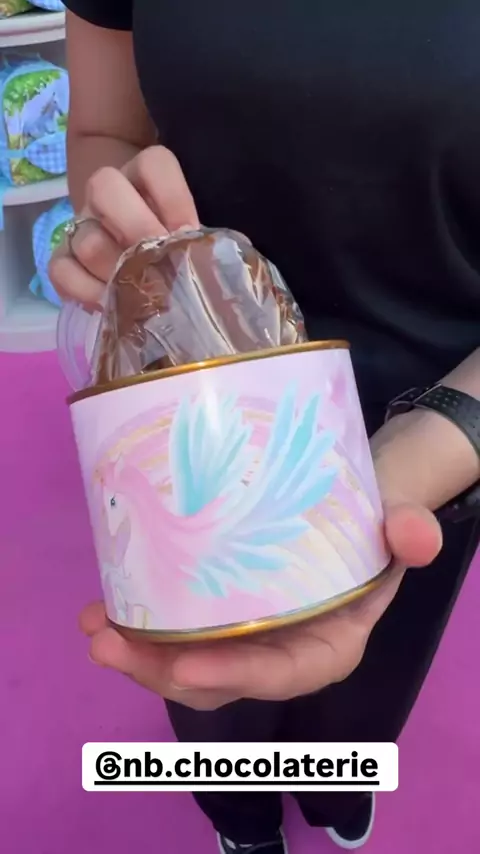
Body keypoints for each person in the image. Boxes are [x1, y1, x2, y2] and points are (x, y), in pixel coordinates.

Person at [51, 2, 480, 851]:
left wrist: (432, 446)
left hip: (438, 431)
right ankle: (240, 818)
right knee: (212, 692)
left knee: (373, 681)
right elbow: (105, 129)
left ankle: (334, 793)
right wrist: (120, 234)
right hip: (186, 414)